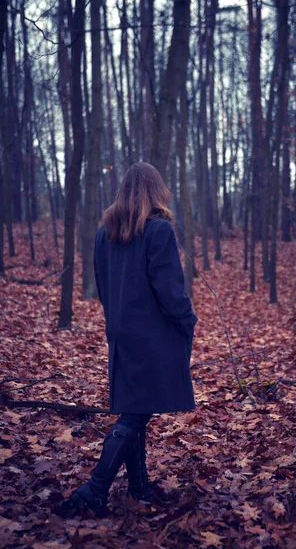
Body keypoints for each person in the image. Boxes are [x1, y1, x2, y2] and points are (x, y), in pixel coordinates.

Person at [56, 162, 198, 518]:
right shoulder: (159, 230)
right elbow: (170, 290)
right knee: (135, 412)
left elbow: (103, 287)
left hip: (122, 333)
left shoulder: (105, 232)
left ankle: (139, 488)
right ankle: (95, 488)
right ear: (156, 190)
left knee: (137, 406)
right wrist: (186, 320)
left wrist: (118, 320)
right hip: (155, 334)